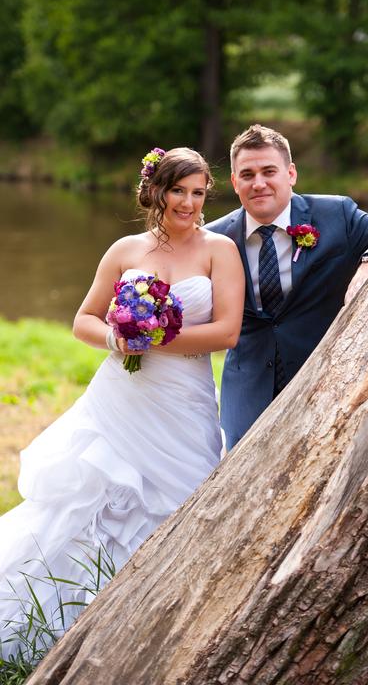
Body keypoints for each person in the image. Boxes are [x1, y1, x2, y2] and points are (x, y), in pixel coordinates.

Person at [0, 147, 244, 662]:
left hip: (184, 401)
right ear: (156, 191)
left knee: (183, 501)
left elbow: (226, 332)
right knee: (91, 502)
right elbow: (83, 320)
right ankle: (64, 626)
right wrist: (118, 338)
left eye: (198, 193)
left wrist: (154, 338)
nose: (188, 203)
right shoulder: (125, 249)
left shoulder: (219, 250)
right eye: (178, 190)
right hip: (120, 398)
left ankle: (163, 630)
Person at [207, 124, 368, 450]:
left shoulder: (336, 214)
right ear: (235, 183)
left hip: (325, 383)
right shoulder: (214, 237)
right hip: (247, 393)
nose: (258, 183)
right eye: (247, 175)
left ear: (291, 173)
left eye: (269, 171)